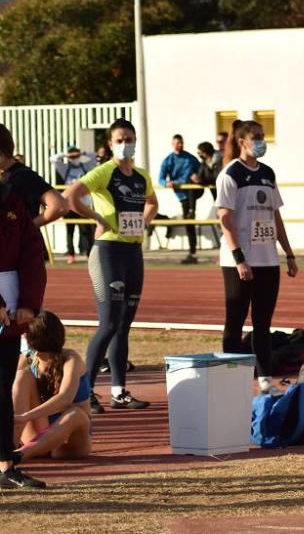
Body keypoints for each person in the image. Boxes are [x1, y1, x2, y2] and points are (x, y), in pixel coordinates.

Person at [65, 118, 158, 414]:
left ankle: (119, 391)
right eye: (120, 139)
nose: (125, 143)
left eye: (129, 138)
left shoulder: (142, 175)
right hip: (108, 252)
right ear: (109, 144)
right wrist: (98, 218)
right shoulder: (105, 171)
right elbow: (71, 196)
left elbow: (152, 202)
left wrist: (144, 220)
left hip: (133, 252)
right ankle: (86, 392)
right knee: (107, 324)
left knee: (124, 326)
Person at [217, 120, 298, 395]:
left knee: (263, 324)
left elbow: (275, 216)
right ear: (242, 141)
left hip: (267, 260)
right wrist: (239, 258)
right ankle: (231, 379)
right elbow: (224, 219)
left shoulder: (267, 173)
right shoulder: (230, 175)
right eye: (257, 137)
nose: (262, 141)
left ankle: (265, 380)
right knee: (235, 321)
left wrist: (288, 252)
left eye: (263, 137)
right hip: (238, 262)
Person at [0, 176, 46, 489]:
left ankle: (5, 464)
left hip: (11, 315)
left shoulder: (11, 199)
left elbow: (32, 253)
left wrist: (28, 303)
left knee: (2, 387)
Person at [13, 311, 91, 462]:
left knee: (76, 414)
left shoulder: (71, 359)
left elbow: (65, 399)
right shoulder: (28, 360)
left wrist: (25, 417)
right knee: (22, 376)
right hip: (38, 434)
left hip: (69, 444)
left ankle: (18, 455)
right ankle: (10, 446)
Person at [0, 124, 69, 235]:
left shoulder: (22, 176)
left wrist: (26, 228)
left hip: (22, 249)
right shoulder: (6, 175)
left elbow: (59, 206)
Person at [158, 134, 201, 265]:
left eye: (181, 143)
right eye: (177, 143)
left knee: (190, 218)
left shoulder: (190, 158)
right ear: (173, 144)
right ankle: (192, 252)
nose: (180, 145)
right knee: (189, 222)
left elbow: (202, 170)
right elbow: (160, 179)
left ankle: (192, 252)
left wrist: (199, 177)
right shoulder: (168, 160)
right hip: (182, 195)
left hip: (193, 191)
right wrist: (167, 183)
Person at [51, 147, 97, 264]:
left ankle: (89, 253)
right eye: (72, 156)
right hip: (68, 205)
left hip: (84, 204)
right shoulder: (65, 168)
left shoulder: (85, 167)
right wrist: (66, 155)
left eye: (76, 156)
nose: (74, 158)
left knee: (86, 230)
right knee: (70, 230)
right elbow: (53, 159)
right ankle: (71, 254)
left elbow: (93, 157)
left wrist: (81, 153)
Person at [192, 142, 222, 249]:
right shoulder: (204, 163)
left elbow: (217, 178)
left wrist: (204, 180)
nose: (199, 154)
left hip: (224, 195)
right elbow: (204, 178)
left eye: (200, 152)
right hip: (217, 198)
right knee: (221, 222)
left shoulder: (220, 160)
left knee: (225, 221)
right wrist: (198, 180)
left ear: (205, 152)